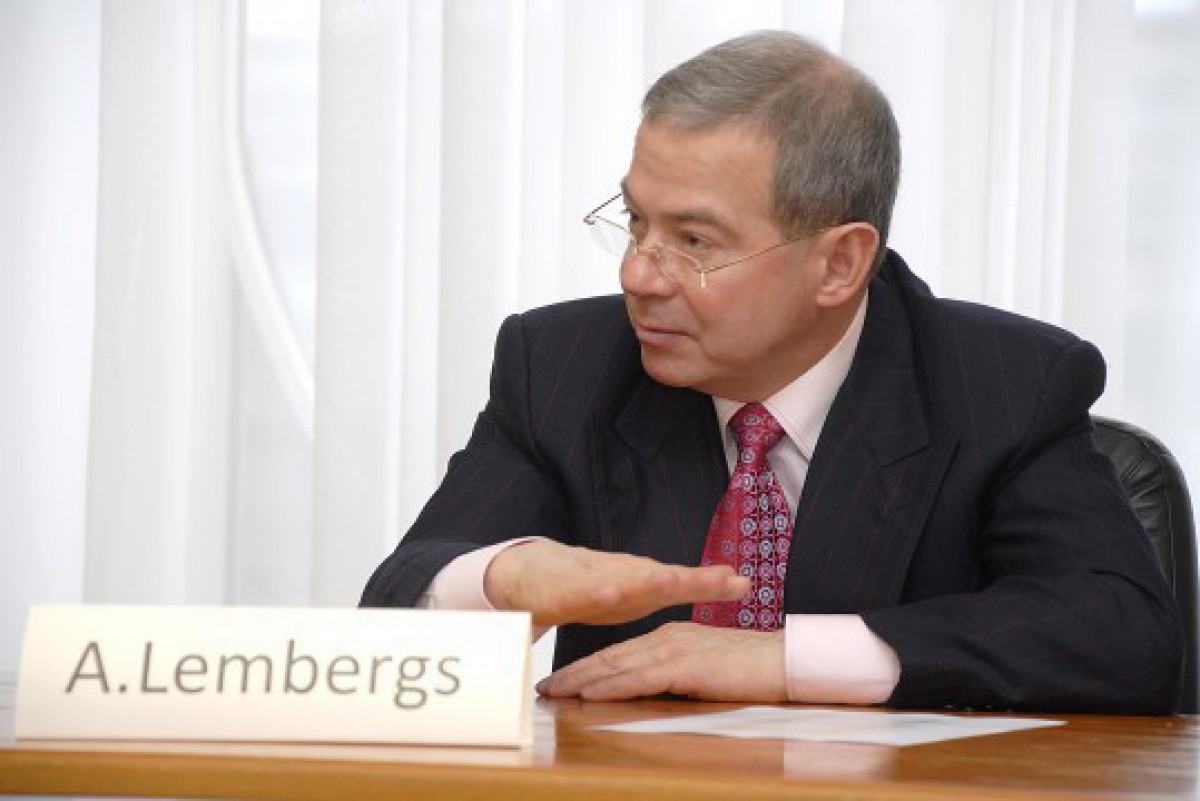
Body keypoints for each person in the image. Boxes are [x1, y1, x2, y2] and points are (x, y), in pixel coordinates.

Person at [361, 30, 1183, 713]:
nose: (638, 274)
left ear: (840, 263)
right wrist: (500, 578)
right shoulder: (562, 366)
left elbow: (1120, 634)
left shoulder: (1003, 384)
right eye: (637, 222)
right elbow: (396, 605)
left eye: (694, 241)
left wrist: (785, 658)